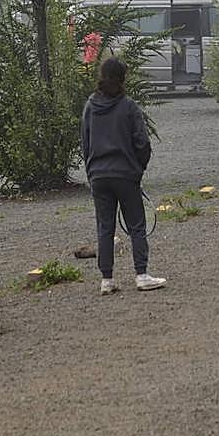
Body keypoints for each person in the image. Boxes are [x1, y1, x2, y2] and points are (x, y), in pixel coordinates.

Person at [80, 57, 166, 294]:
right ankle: (141, 275)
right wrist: (139, 168)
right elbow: (142, 143)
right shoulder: (128, 106)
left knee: (104, 228)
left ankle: (106, 280)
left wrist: (91, 171)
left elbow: (85, 142)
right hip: (126, 174)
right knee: (137, 225)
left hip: (98, 175)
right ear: (123, 78)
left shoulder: (90, 105)